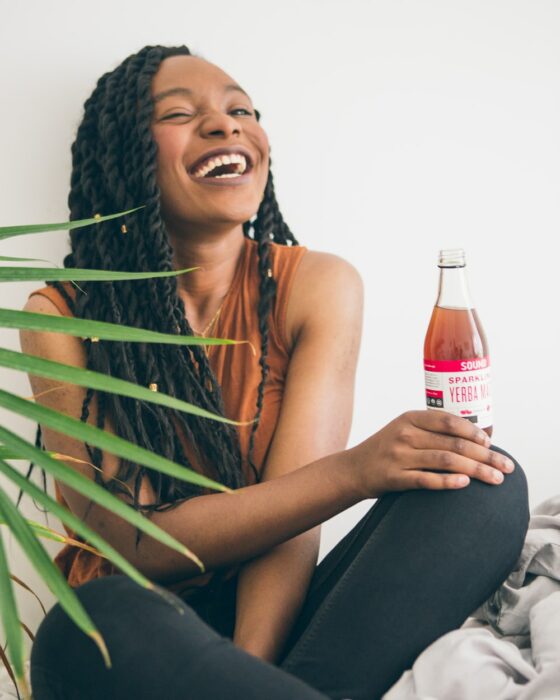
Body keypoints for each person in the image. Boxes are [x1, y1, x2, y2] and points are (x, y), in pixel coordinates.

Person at [21, 45, 529, 700]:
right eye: (181, 112)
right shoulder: (59, 317)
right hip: (135, 642)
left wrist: (252, 673)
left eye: (242, 110)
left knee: (481, 484)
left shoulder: (316, 285)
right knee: (93, 616)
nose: (226, 124)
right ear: (125, 155)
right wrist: (353, 472)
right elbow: (133, 544)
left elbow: (295, 514)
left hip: (285, 631)